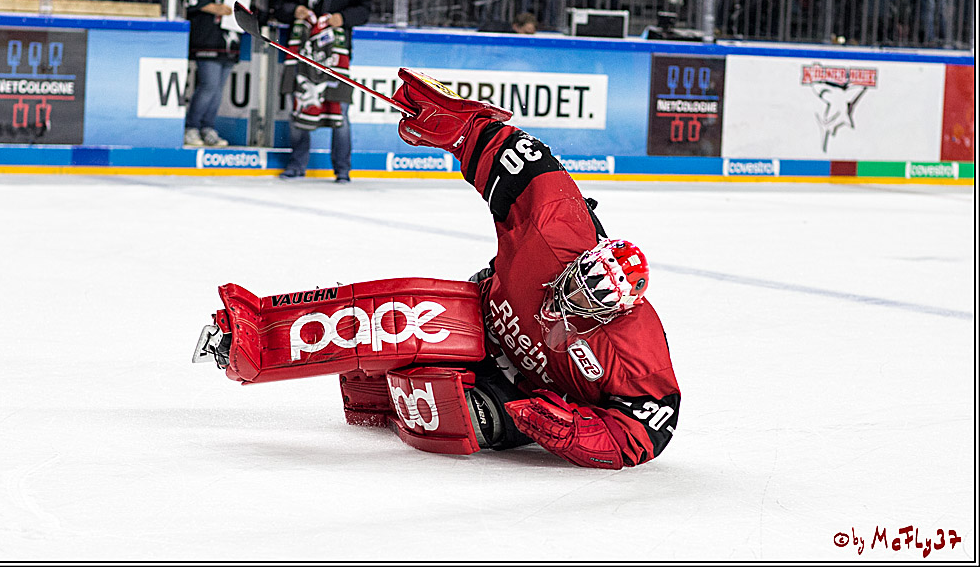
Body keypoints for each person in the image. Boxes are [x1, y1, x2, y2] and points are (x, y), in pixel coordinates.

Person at [195, 69, 680, 469]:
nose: (572, 298)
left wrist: (577, 432)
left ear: (615, 313)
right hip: (482, 319)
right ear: (581, 261)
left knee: (462, 422)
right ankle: (254, 331)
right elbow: (522, 162)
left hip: (524, 395)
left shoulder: (637, 345)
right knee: (398, 313)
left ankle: (378, 398)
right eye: (577, 282)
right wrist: (467, 128)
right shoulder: (556, 235)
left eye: (589, 301)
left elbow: (646, 431)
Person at [272, 0, 371, 182]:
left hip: (335, 52)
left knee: (340, 108)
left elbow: (365, 9)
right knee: (300, 104)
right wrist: (295, 10)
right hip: (300, 50)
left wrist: (342, 17)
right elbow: (278, 5)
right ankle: (296, 165)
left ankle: (342, 170)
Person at [181, 0, 246, 147]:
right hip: (206, 36)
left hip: (229, 38)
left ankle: (208, 127)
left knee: (219, 88)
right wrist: (213, 7)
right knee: (208, 85)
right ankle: (192, 127)